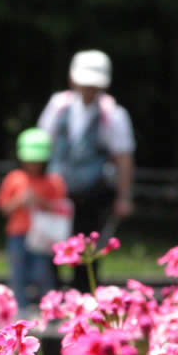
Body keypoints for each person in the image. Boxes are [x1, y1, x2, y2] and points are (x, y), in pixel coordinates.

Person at [37, 49, 135, 292]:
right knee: (51, 250)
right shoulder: (58, 106)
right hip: (57, 193)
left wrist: (124, 197)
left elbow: (124, 158)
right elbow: (42, 146)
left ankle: (83, 295)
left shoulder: (113, 114)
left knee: (88, 255)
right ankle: (51, 297)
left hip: (92, 196)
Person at [0, 128, 67, 316]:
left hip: (42, 236)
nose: (33, 164)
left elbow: (61, 209)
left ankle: (50, 309)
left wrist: (40, 202)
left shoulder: (53, 181)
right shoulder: (14, 178)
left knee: (43, 272)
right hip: (18, 233)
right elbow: (3, 208)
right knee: (18, 272)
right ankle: (21, 308)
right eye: (30, 160)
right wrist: (20, 200)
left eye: (37, 160)